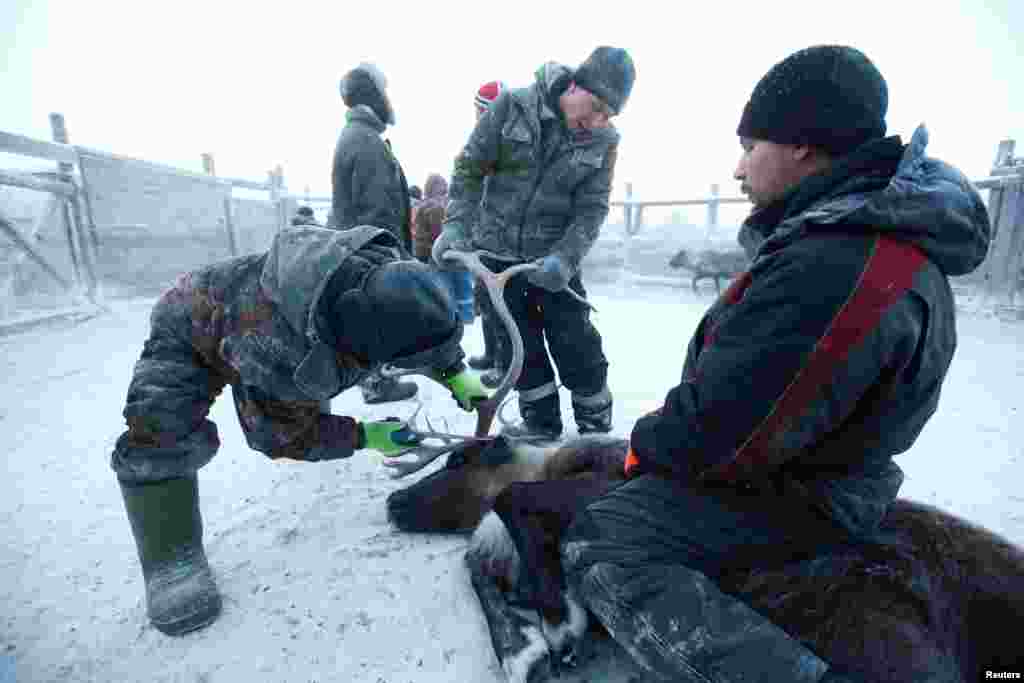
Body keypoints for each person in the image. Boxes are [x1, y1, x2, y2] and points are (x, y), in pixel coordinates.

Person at [560, 45, 991, 682]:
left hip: (804, 492)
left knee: (604, 536)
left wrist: (645, 447)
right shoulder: (882, 240)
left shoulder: (835, 262)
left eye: (749, 145)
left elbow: (726, 433)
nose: (738, 169)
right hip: (836, 470)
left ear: (801, 146)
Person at [111, 224, 489, 637]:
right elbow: (276, 436)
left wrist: (454, 371)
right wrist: (363, 436)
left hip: (298, 328)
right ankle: (172, 558)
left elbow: (414, 314)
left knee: (305, 387)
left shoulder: (382, 270)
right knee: (159, 425)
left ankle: (311, 392)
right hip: (192, 326)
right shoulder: (271, 348)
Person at [433, 49, 635, 439]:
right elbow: (469, 167)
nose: (595, 122)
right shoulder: (512, 106)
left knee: (576, 341)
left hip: (553, 263)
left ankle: (595, 421)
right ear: (575, 85)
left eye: (606, 115)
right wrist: (456, 225)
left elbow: (591, 208)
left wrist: (565, 259)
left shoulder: (604, 140)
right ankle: (540, 424)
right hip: (495, 258)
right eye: (593, 107)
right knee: (517, 346)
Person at [329, 61, 418, 404]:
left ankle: (374, 379)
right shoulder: (365, 142)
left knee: (365, 318)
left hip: (355, 248)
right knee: (372, 316)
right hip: (366, 250)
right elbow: (378, 211)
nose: (388, 99)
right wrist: (390, 260)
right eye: (384, 92)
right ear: (373, 96)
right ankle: (376, 384)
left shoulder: (357, 136)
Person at [464, 80, 513, 388]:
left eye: (479, 110)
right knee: (485, 300)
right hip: (483, 239)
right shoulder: (485, 141)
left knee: (501, 304)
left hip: (503, 243)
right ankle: (491, 352)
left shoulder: (507, 143)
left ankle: (504, 363)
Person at [414, 173, 475, 323]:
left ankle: (456, 322)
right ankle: (461, 320)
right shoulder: (442, 206)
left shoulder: (427, 208)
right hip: (451, 259)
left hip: (446, 260)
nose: (442, 195)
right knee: (458, 293)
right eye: (440, 190)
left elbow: (420, 240)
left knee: (450, 295)